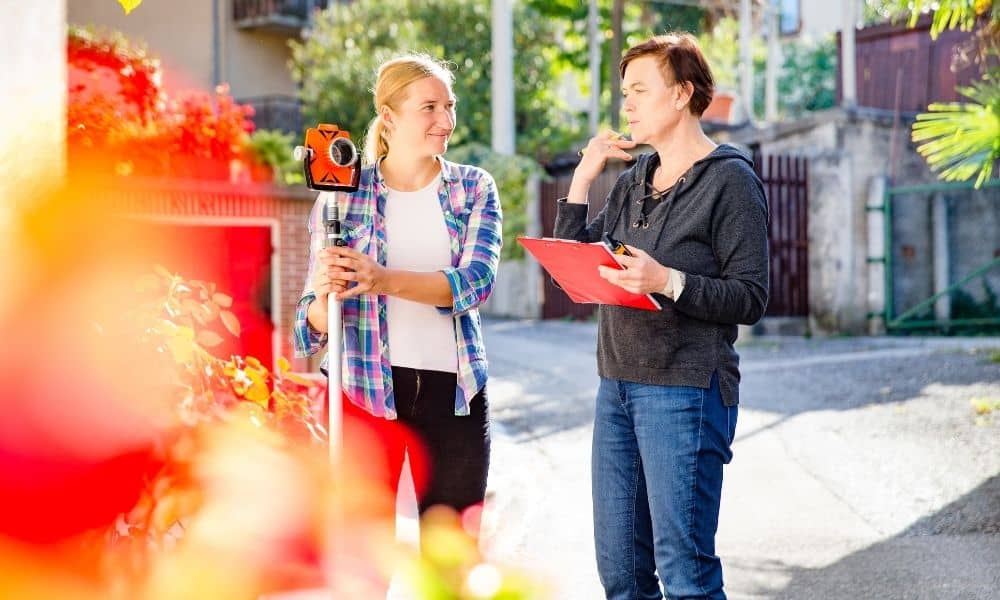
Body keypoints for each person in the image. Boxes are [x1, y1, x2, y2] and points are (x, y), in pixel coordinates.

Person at [553, 33, 769, 600]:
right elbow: (576, 262)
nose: (627, 103)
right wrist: (584, 176)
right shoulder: (631, 182)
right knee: (621, 573)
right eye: (625, 92)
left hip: (687, 392)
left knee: (686, 573)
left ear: (682, 95)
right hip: (616, 388)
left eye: (640, 90)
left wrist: (666, 281)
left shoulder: (731, 180)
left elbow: (750, 296)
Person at [292, 54, 502, 558]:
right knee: (362, 561)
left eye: (449, 107)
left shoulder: (473, 187)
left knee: (449, 560)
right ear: (389, 116)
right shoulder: (343, 193)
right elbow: (309, 330)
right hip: (363, 395)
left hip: (454, 396)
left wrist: (381, 279)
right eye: (429, 107)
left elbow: (474, 283)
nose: (446, 120)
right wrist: (323, 298)